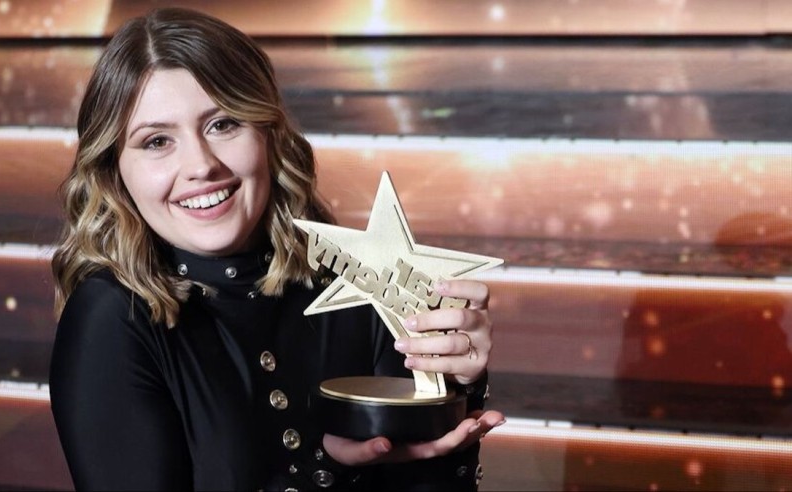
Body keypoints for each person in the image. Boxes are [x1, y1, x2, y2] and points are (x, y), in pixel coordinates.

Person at [49, 7, 503, 491]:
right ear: (114, 170)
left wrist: (452, 389)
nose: (201, 165)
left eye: (223, 124)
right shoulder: (110, 317)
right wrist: (329, 467)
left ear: (269, 132)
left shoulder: (358, 285)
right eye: (157, 141)